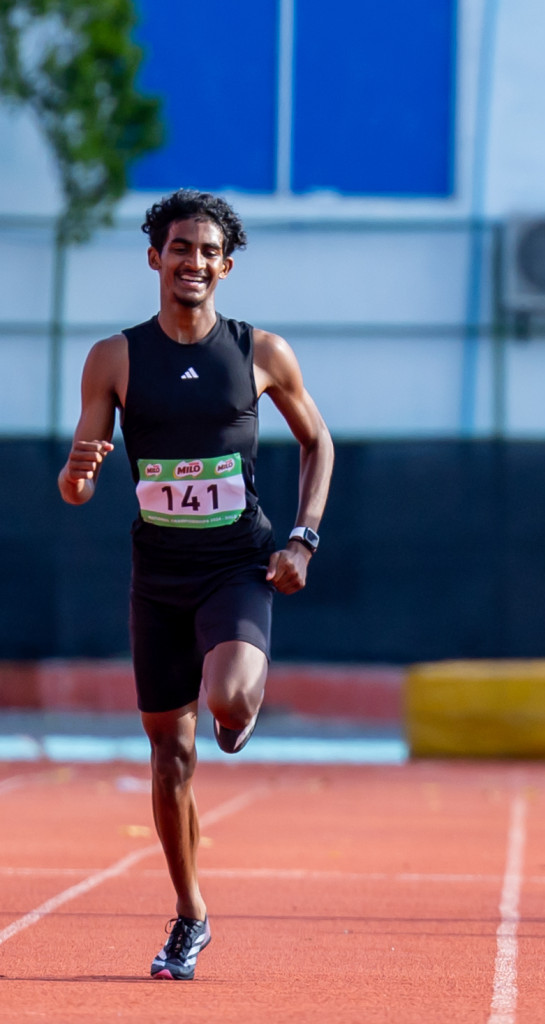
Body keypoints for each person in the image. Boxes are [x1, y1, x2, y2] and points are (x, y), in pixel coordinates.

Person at [58, 190, 334, 978]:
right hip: (159, 575)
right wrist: (78, 475)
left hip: (235, 565)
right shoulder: (115, 358)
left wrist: (303, 541)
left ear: (226, 266)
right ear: (155, 256)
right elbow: (77, 487)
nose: (194, 263)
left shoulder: (259, 352)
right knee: (168, 761)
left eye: (209, 253)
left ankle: (233, 707)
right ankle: (190, 913)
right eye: (181, 249)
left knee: (229, 699)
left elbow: (320, 444)